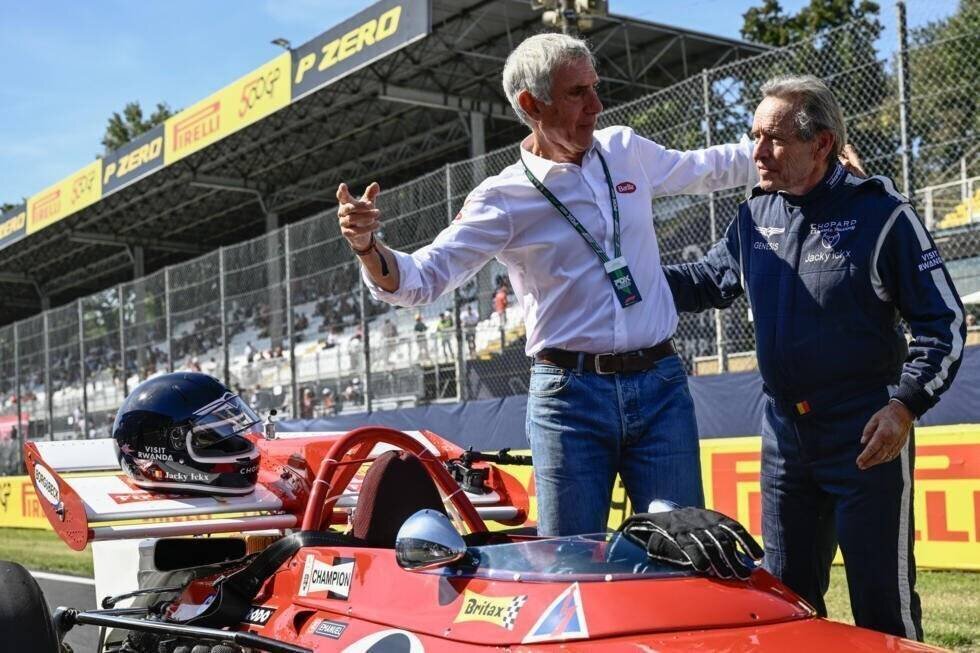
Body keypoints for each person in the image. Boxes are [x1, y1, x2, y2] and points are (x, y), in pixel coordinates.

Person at [337, 33, 771, 536]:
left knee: (685, 553)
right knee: (570, 562)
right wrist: (369, 246)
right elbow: (422, 279)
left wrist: (791, 150)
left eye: (594, 87)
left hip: (661, 386)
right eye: (576, 93)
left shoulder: (626, 150)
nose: (596, 105)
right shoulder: (501, 198)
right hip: (570, 400)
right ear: (530, 104)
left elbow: (709, 168)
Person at [663, 75, 965, 640]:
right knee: (785, 601)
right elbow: (707, 280)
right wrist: (625, 272)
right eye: (754, 136)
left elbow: (944, 323)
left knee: (882, 604)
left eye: (773, 139)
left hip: (866, 434)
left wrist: (903, 407)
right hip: (784, 438)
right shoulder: (754, 216)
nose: (757, 153)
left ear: (821, 143)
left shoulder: (883, 214)